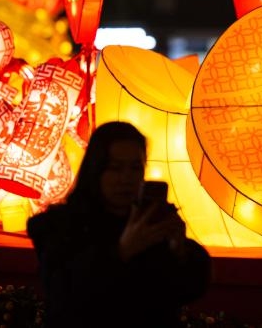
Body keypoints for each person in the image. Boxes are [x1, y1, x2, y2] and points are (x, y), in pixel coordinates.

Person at [26, 121, 211, 328]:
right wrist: (120, 252)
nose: (126, 179)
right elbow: (64, 295)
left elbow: (186, 290)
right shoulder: (60, 225)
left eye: (135, 168)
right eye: (115, 168)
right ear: (96, 170)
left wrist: (180, 250)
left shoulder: (151, 220)